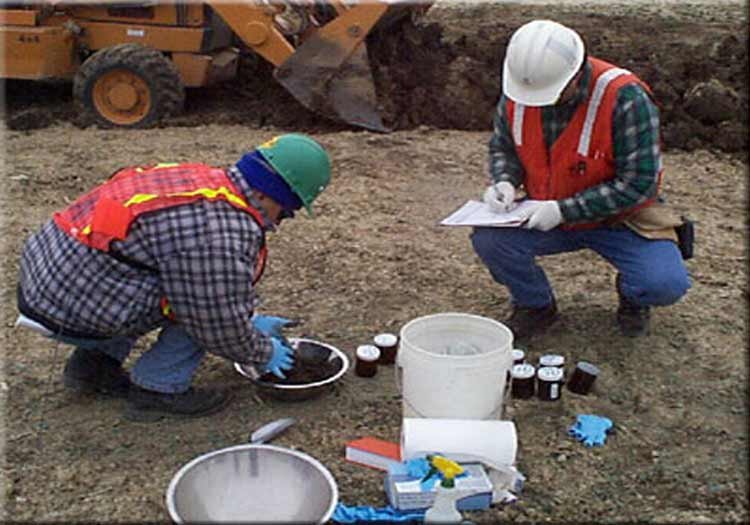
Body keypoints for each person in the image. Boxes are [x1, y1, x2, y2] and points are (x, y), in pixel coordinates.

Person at [16, 133, 331, 422]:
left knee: (149, 271)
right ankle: (157, 389)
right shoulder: (220, 229)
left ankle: (92, 367)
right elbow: (214, 317)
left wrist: (251, 318)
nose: (282, 222)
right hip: (71, 305)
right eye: (289, 211)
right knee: (201, 310)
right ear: (272, 195)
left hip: (52, 281)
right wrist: (261, 351)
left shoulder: (206, 180)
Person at [471, 20, 690, 341]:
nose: (539, 102)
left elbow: (639, 183)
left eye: (550, 94)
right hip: (544, 212)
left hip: (619, 219)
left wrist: (564, 211)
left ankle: (633, 294)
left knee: (663, 283)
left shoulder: (625, 98)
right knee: (490, 240)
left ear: (576, 74)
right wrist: (504, 180)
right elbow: (504, 147)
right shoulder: (523, 87)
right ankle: (535, 304)